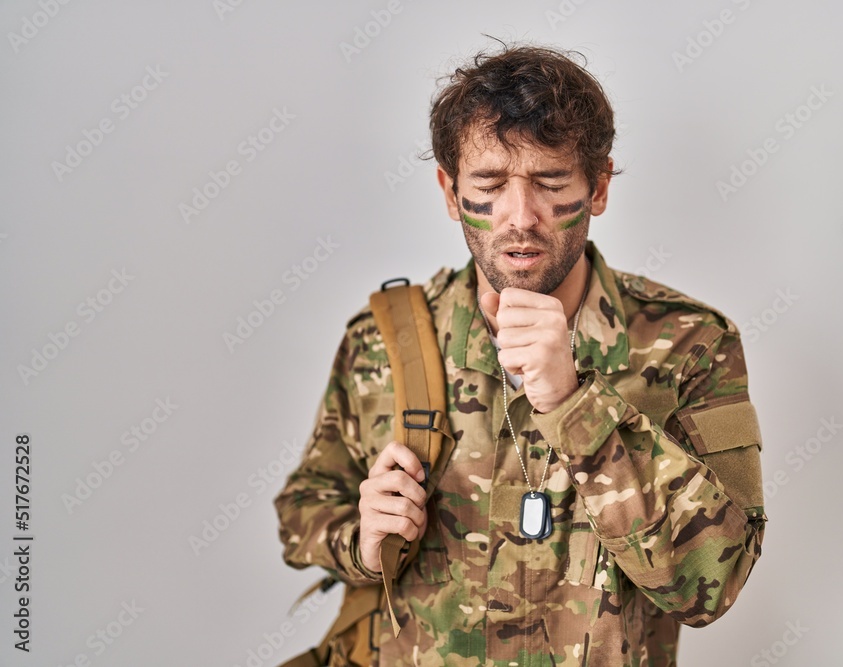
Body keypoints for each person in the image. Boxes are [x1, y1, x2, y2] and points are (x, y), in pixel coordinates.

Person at [274, 42, 767, 666]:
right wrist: (360, 542)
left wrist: (575, 403)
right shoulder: (384, 341)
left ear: (599, 187)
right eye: (490, 183)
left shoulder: (691, 345)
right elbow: (303, 511)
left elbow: (712, 586)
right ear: (450, 193)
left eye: (550, 181)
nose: (521, 217)